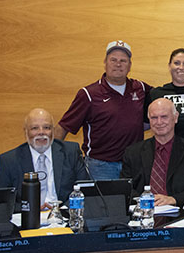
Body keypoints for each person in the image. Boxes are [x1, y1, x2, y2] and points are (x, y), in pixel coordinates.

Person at [55, 40, 152, 180]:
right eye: (113, 60)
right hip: (100, 167)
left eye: (123, 61)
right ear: (105, 62)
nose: (118, 64)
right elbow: (63, 127)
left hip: (134, 165)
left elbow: (166, 97)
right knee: (104, 203)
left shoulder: (140, 88)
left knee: (132, 202)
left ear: (130, 66)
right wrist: (54, 160)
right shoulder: (88, 94)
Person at [0, 108, 89, 210]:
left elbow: (86, 191)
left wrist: (61, 210)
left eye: (46, 127)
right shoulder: (9, 160)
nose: (41, 132)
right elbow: (0, 201)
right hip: (27, 219)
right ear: (25, 132)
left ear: (53, 130)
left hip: (64, 216)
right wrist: (30, 210)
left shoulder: (71, 152)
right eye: (35, 128)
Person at [121, 99, 184, 207]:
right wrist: (145, 201)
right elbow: (125, 188)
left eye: (164, 117)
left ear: (175, 117)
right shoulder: (133, 152)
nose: (159, 122)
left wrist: (173, 199)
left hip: (180, 214)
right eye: (154, 118)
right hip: (143, 212)